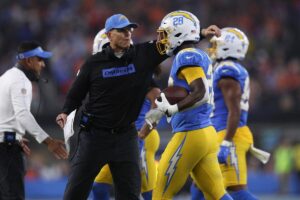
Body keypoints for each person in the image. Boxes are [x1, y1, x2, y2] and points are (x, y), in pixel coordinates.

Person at [56, 13, 220, 200]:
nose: (128, 34)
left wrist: (200, 32)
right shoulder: (93, 64)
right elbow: (76, 94)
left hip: (127, 136)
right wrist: (65, 111)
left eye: (129, 30)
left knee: (132, 193)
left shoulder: (141, 56)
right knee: (79, 192)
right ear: (109, 36)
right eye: (122, 31)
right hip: (95, 137)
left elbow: (175, 40)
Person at [146, 11, 232, 200]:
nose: (162, 38)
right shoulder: (195, 53)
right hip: (205, 132)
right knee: (217, 194)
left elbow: (201, 93)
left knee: (160, 193)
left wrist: (173, 109)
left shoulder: (186, 56)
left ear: (178, 33)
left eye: (166, 33)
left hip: (190, 133)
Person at [191, 27, 257, 200]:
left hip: (228, 134)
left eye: (215, 44)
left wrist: (227, 143)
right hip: (216, 132)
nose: (211, 48)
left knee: (236, 190)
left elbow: (234, 111)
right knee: (198, 186)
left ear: (228, 46)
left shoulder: (227, 70)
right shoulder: (223, 67)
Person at [0, 41, 68, 200]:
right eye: (40, 60)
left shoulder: (5, 77)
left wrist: (13, 135)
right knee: (13, 196)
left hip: (5, 144)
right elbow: (23, 114)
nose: (43, 65)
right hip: (6, 150)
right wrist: (48, 141)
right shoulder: (20, 80)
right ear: (28, 60)